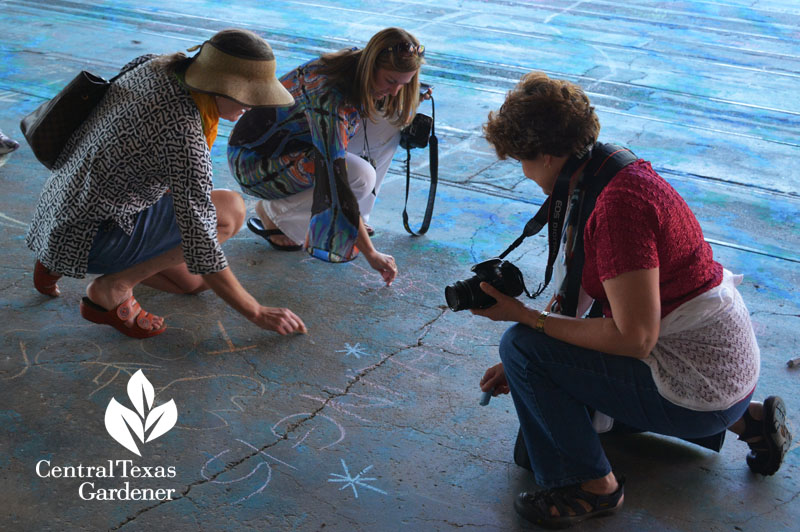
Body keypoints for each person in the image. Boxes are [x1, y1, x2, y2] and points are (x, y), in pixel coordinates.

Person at [473, 71, 792, 528]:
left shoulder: (618, 207)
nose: (524, 172)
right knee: (533, 420)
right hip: (721, 369)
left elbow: (635, 338)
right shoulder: (607, 169)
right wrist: (535, 357)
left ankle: (592, 487)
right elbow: (583, 292)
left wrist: (525, 321)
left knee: (521, 348)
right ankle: (751, 423)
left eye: (523, 161)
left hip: (700, 383)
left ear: (546, 155)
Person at [26, 29, 307, 338]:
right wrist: (256, 311)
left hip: (59, 209)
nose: (253, 106)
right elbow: (201, 242)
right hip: (93, 234)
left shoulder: (153, 65)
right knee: (230, 210)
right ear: (218, 86)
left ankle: (54, 260)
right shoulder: (184, 134)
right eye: (248, 95)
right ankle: (112, 288)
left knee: (192, 282)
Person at [227, 27, 428, 286]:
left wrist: (410, 96)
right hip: (254, 164)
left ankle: (358, 218)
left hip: (295, 146)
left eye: (405, 83)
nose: (395, 91)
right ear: (371, 66)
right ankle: (275, 215)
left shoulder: (356, 64)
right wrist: (371, 253)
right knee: (360, 176)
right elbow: (335, 179)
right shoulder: (330, 96)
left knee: (391, 120)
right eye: (391, 81)